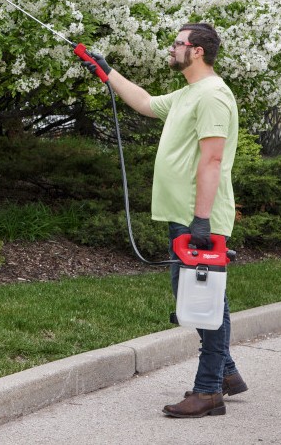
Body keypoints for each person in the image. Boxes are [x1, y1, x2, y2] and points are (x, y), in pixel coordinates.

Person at [78, 22, 247, 418]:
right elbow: (146, 103)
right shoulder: (191, 92)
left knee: (204, 304)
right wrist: (105, 70)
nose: (171, 49)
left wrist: (202, 220)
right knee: (199, 300)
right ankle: (227, 373)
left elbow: (213, 158)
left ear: (198, 51)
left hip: (198, 217)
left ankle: (208, 391)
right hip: (184, 215)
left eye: (178, 43)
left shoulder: (214, 97)